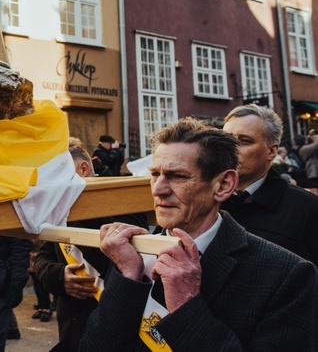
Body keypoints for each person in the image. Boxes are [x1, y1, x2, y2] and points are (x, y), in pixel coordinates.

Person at [79, 117, 317, 350]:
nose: (158, 190)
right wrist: (128, 277)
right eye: (154, 175)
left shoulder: (286, 274)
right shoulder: (131, 255)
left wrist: (186, 304)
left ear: (223, 185)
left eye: (178, 176)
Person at [35, 142, 147, 352]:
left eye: (55, 174)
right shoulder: (59, 204)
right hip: (71, 320)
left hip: (112, 321)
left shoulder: (122, 197)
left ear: (83, 169)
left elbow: (135, 260)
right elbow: (42, 260)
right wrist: (61, 276)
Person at [220, 104, 318, 266]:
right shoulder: (204, 199)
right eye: (226, 140)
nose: (231, 149)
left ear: (272, 151)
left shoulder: (307, 209)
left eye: (244, 141)